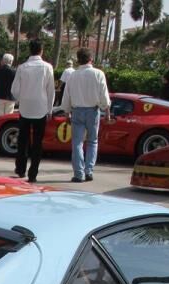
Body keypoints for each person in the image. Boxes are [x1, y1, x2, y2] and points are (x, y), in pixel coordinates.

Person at [62, 48, 111, 183]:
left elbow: (66, 96)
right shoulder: (98, 73)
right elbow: (104, 95)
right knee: (92, 141)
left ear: (78, 60)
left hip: (77, 110)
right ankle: (89, 171)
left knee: (77, 143)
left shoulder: (72, 75)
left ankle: (79, 173)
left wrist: (67, 112)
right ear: (91, 59)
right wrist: (107, 111)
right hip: (93, 111)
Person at [10, 39, 55, 184]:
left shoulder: (22, 67)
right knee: (37, 142)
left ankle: (20, 169)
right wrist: (49, 109)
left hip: (25, 108)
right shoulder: (47, 67)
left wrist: (21, 99)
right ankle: (33, 173)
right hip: (41, 108)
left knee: (22, 140)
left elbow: (14, 90)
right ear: (41, 50)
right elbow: (50, 90)